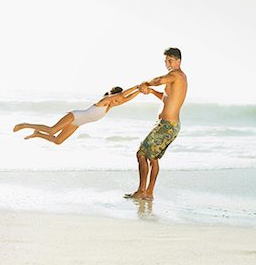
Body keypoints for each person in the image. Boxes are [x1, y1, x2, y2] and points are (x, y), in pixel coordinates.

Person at [125, 47, 187, 200]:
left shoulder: (175, 75)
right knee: (152, 158)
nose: (167, 64)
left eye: (170, 61)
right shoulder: (179, 78)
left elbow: (159, 80)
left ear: (178, 61)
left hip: (166, 125)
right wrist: (152, 92)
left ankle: (141, 191)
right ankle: (149, 193)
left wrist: (146, 83)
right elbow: (166, 98)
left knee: (141, 154)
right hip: (170, 125)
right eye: (166, 61)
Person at [13, 85, 140, 145]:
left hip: (78, 123)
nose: (118, 101)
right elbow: (122, 96)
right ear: (113, 96)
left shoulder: (110, 106)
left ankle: (37, 134)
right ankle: (25, 125)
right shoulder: (104, 101)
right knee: (52, 131)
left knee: (58, 141)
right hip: (75, 116)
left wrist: (140, 91)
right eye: (117, 98)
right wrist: (137, 86)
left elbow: (126, 99)